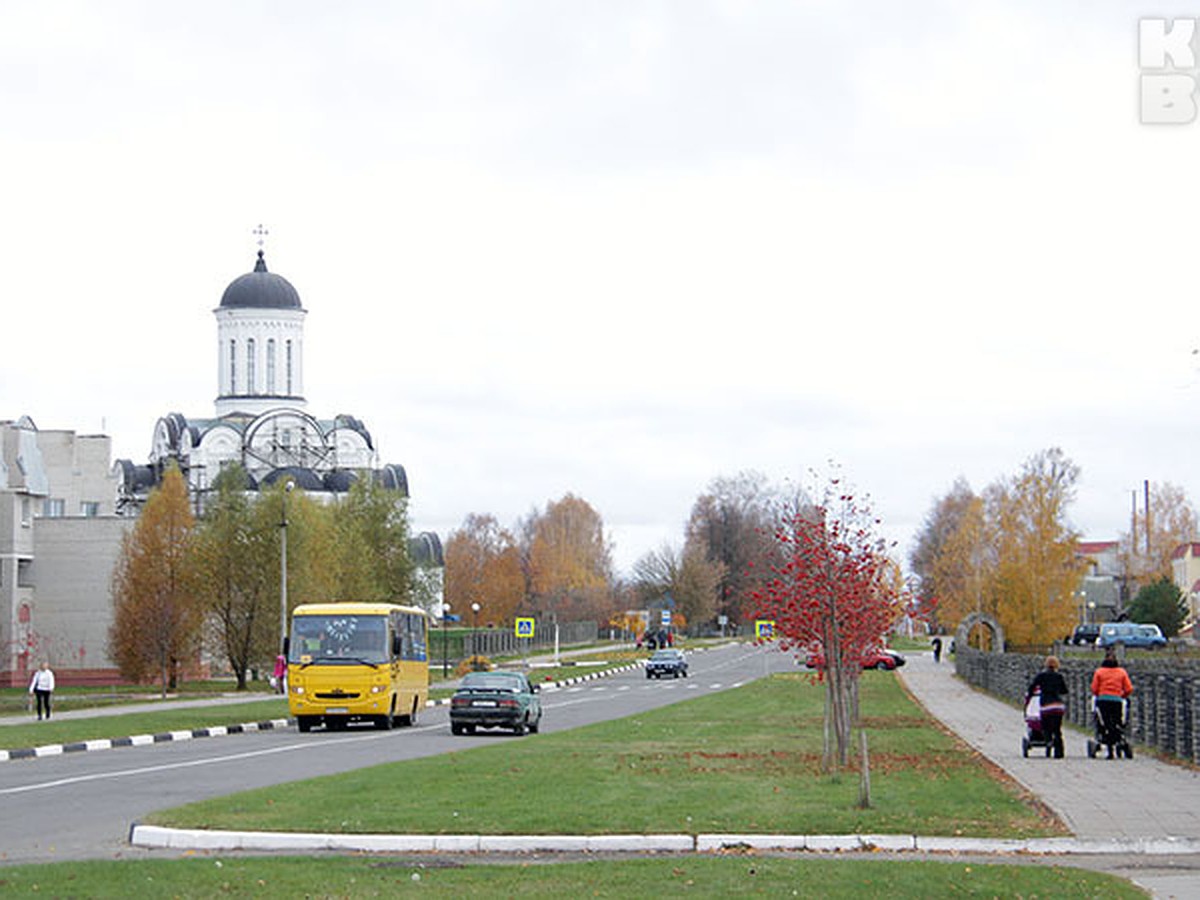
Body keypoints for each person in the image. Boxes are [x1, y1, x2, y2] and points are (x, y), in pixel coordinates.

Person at [1091, 647, 1133, 758]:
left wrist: (1099, 694)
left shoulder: (1099, 672)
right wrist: (1122, 696)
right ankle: (1118, 739)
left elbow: (1094, 689)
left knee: (1105, 723)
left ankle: (1109, 747)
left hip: (1103, 700)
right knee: (1116, 721)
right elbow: (1129, 688)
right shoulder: (1121, 672)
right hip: (1117, 700)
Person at [1026, 655, 1067, 758]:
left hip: (1046, 705)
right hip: (1058, 706)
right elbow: (1064, 690)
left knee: (1046, 726)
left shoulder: (1041, 676)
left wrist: (1030, 695)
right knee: (1057, 729)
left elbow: (1032, 687)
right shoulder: (1059, 676)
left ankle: (1048, 741)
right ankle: (1059, 751)